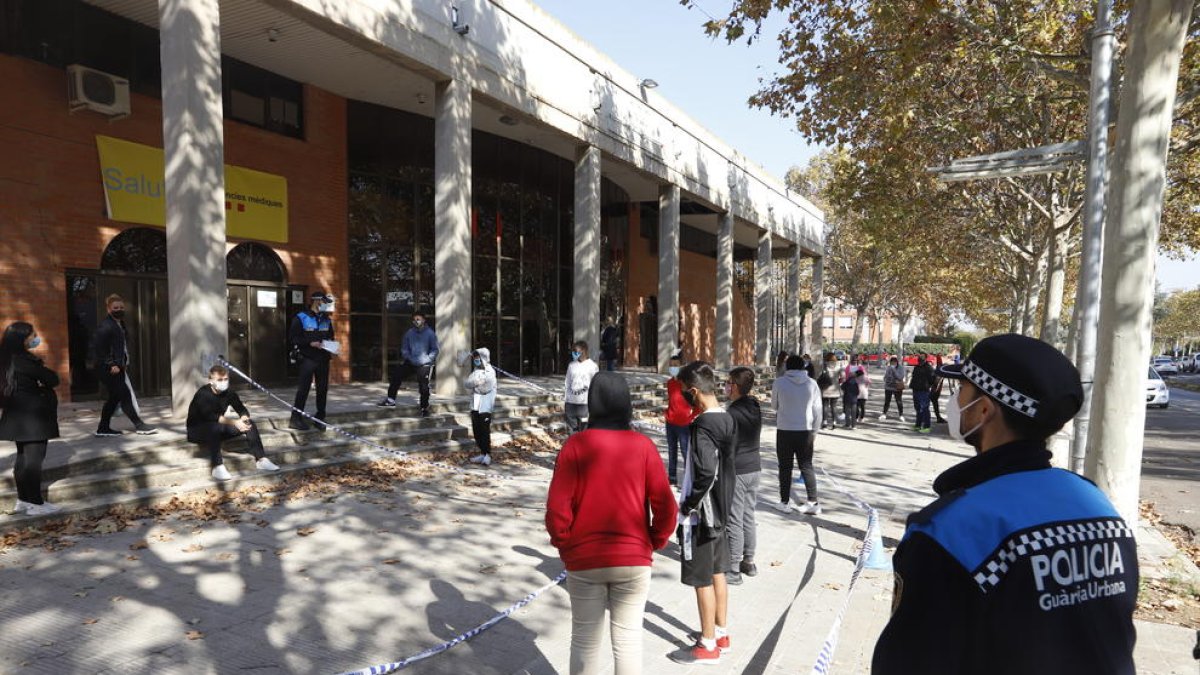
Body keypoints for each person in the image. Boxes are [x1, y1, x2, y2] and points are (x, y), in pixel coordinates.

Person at [872, 334, 1138, 674]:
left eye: (961, 390)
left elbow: (909, 662)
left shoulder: (948, 529)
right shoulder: (1096, 504)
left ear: (984, 410)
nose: (955, 401)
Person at [546, 372, 677, 675]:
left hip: (584, 558)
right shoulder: (643, 446)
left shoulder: (575, 445)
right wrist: (654, 541)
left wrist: (564, 542)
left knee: (584, 641)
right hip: (633, 558)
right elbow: (666, 505)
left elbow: (556, 508)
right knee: (628, 641)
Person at [669, 361, 737, 665]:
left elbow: (706, 471)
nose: (683, 395)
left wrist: (689, 505)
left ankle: (708, 644)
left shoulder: (702, 425)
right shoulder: (728, 419)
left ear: (694, 391)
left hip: (702, 515)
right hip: (722, 510)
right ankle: (721, 632)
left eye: (684, 391)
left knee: (701, 578)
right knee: (717, 571)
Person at [0, 322, 61, 515]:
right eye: (32, 335)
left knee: (22, 458)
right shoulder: (24, 361)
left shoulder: (6, 359)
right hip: (33, 417)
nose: (35, 338)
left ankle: (24, 500)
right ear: (22, 339)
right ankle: (35, 503)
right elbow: (52, 379)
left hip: (16, 415)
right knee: (33, 460)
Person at [186, 365, 279, 481]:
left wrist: (244, 418)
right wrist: (235, 422)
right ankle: (217, 467)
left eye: (225, 379)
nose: (223, 382)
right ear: (211, 381)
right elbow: (210, 416)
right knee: (213, 427)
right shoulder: (203, 394)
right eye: (219, 380)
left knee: (249, 423)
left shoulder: (229, 392)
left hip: (217, 429)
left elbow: (241, 408)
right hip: (197, 431)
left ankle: (261, 459)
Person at [92, 294, 156, 436]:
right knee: (125, 395)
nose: (119, 310)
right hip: (108, 369)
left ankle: (103, 428)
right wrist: (111, 364)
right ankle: (139, 425)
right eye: (115, 308)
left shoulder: (119, 324)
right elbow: (100, 348)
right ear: (108, 309)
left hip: (118, 367)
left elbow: (122, 347)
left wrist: (124, 363)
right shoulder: (106, 326)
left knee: (114, 398)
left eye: (121, 307)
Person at [724, 366, 762, 585]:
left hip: (738, 470)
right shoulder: (754, 406)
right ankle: (749, 561)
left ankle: (733, 568)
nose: (726, 386)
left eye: (728, 383)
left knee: (734, 519)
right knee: (748, 515)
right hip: (754, 467)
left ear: (736, 386)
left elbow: (729, 444)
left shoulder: (732, 413)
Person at [772, 355, 822, 515]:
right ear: (803, 366)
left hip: (784, 430)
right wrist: (815, 431)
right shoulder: (812, 383)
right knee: (806, 466)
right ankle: (813, 502)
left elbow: (774, 405)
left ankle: (784, 502)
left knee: (785, 467)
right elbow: (818, 411)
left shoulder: (779, 382)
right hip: (805, 430)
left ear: (787, 366)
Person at [288, 291, 337, 431]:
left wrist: (332, 346)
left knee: (322, 390)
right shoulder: (301, 317)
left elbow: (330, 336)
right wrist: (310, 343)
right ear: (317, 301)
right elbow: (293, 338)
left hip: (323, 359)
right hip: (307, 359)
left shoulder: (326, 319)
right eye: (324, 302)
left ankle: (320, 418)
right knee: (303, 389)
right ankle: (295, 419)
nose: (326, 305)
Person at [379, 311, 439, 416]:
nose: (416, 321)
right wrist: (409, 357)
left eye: (418, 319)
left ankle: (424, 408)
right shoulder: (409, 333)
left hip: (424, 364)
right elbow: (404, 348)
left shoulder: (430, 333)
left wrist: (427, 359)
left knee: (424, 386)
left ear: (424, 320)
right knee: (396, 375)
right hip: (411, 361)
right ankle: (390, 400)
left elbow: (435, 350)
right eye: (414, 320)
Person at [663, 352, 696, 486]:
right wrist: (667, 413)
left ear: (681, 366)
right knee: (672, 451)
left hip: (683, 424)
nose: (673, 368)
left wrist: (691, 417)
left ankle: (689, 480)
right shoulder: (669, 383)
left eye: (676, 365)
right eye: (671, 365)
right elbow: (671, 400)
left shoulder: (687, 384)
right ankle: (672, 478)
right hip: (670, 423)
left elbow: (697, 404)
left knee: (685, 452)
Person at [464, 348, 496, 466]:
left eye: (478, 357)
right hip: (475, 405)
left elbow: (485, 388)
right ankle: (482, 453)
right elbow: (467, 383)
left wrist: (475, 384)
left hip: (485, 406)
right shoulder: (476, 370)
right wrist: (477, 382)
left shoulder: (490, 371)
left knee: (484, 430)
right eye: (475, 358)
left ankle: (487, 454)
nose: (476, 360)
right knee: (476, 430)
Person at [563, 341, 598, 434]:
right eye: (573, 351)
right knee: (572, 431)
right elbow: (567, 382)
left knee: (584, 431)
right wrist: (566, 399)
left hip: (584, 404)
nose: (574, 353)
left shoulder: (593, 366)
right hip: (571, 403)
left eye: (576, 351)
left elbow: (595, 385)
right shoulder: (571, 365)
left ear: (584, 351)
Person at [909, 354, 935, 433]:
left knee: (924, 408)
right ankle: (918, 425)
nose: (919, 362)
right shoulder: (916, 367)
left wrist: (927, 385)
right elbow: (913, 377)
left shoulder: (929, 368)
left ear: (925, 360)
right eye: (919, 360)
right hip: (915, 389)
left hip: (924, 391)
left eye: (921, 360)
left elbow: (932, 379)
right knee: (918, 408)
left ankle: (927, 426)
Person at [817, 353, 840, 430]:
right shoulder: (838, 366)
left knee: (825, 406)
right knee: (834, 406)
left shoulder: (823, 366)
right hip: (835, 390)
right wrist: (837, 381)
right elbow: (843, 377)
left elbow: (818, 376)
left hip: (825, 389)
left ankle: (824, 423)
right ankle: (834, 423)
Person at [879, 356, 906, 422]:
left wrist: (894, 370)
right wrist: (886, 379)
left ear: (896, 362)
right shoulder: (888, 367)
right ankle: (884, 414)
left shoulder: (901, 368)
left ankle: (901, 415)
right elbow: (885, 377)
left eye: (894, 363)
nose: (892, 364)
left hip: (897, 387)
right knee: (887, 401)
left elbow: (900, 377)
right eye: (891, 363)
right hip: (889, 387)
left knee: (899, 401)